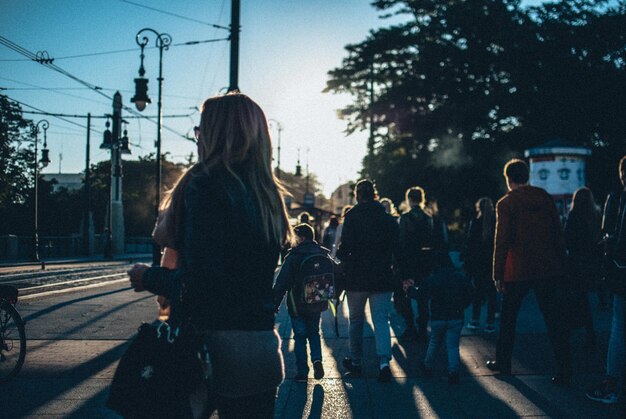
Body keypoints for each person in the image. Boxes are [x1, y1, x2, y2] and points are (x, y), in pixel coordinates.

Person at [127, 93, 293, 418]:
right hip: (260, 349)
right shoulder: (267, 195)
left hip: (210, 350)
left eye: (200, 129)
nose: (197, 137)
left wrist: (147, 277)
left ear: (215, 134)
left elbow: (203, 283)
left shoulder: (206, 185)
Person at [485, 159, 570, 385]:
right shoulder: (544, 198)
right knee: (554, 320)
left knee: (508, 319)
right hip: (547, 267)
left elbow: (501, 241)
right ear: (527, 176)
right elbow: (557, 233)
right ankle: (564, 368)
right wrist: (562, 264)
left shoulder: (506, 203)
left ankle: (503, 362)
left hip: (518, 269)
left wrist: (497, 274)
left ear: (508, 178)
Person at [337, 179, 399, 382]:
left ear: (357, 195)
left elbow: (345, 248)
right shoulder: (387, 219)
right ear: (375, 194)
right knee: (381, 320)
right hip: (382, 277)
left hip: (356, 278)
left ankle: (356, 360)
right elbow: (396, 247)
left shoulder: (352, 217)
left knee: (356, 321)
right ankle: (383, 363)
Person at [586, 155, 626, 404]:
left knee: (619, 328)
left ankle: (610, 384)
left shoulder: (619, 199)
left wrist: (608, 243)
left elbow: (615, 239)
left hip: (622, 271)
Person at [405, 252, 473, 384]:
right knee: (453, 346)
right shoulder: (459, 277)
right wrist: (462, 306)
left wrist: (409, 290)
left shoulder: (433, 278)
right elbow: (470, 294)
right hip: (456, 316)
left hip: (438, 317)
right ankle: (453, 371)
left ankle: (427, 365)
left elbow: (420, 294)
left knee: (434, 342)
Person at [273, 223, 328, 382]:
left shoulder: (293, 256)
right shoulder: (322, 253)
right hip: (317, 300)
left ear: (301, 237)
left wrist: (275, 303)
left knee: (299, 336)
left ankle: (302, 372)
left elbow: (281, 283)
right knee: (314, 332)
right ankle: (317, 360)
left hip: (297, 303)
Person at [397, 186, 443, 342]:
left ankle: (410, 327)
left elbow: (401, 243)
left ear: (409, 199)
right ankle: (422, 328)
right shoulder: (428, 218)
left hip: (409, 262)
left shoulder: (404, 218)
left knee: (405, 296)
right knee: (424, 298)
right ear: (422, 199)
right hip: (425, 262)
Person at [564, 187, 602, 346]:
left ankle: (571, 328)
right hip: (591, 262)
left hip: (575, 262)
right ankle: (589, 331)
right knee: (584, 298)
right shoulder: (595, 216)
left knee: (575, 297)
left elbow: (567, 238)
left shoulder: (573, 216)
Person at [463, 197, 497, 333]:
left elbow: (469, 244)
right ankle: (490, 323)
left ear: (479, 208)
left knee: (477, 293)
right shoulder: (496, 223)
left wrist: (468, 264)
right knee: (492, 295)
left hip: (478, 264)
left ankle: (475, 320)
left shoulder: (475, 223)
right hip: (492, 263)